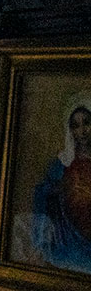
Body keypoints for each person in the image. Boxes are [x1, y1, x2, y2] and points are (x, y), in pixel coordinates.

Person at [26, 99, 91, 271]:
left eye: (86, 123)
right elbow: (42, 192)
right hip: (70, 237)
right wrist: (59, 188)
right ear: (70, 131)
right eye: (76, 126)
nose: (82, 131)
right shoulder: (62, 164)